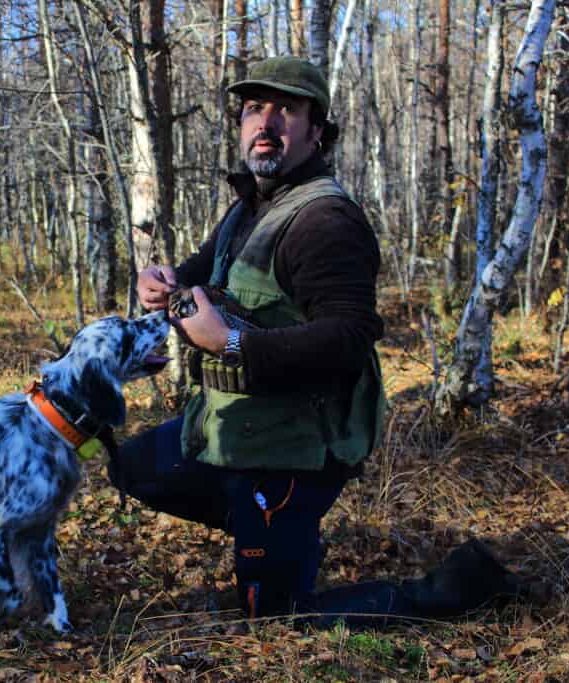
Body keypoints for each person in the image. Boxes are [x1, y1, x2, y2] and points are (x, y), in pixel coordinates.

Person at [109, 56, 518, 623]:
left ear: (317, 130)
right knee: (131, 469)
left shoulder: (324, 220)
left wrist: (229, 343)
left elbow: (348, 338)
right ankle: (270, 525)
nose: (267, 122)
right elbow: (202, 270)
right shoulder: (251, 205)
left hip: (296, 445)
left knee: (274, 616)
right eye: (255, 108)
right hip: (238, 425)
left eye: (287, 109)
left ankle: (461, 586)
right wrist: (164, 281)